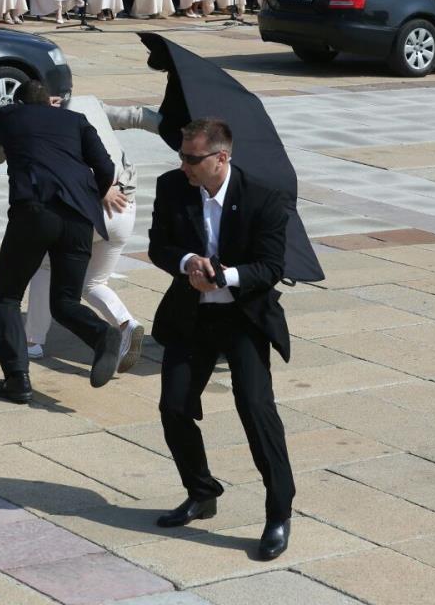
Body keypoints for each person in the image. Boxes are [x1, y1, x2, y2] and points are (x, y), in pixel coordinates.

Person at [149, 118, 295, 559]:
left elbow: (270, 267)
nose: (184, 165)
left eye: (193, 158)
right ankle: (202, 491)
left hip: (243, 317)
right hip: (191, 316)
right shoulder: (173, 187)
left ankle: (279, 511)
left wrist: (224, 276)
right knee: (174, 405)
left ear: (221, 158)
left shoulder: (263, 198)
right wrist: (189, 261)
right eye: (181, 156)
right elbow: (159, 245)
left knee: (254, 407)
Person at [0, 95, 156, 368]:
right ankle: (126, 324)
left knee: (43, 268)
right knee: (93, 283)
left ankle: (33, 341)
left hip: (85, 207)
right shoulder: (88, 104)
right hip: (124, 207)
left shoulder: (30, 121)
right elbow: (134, 116)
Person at [0, 80, 121, 404]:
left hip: (35, 212)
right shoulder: (76, 120)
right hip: (79, 217)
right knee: (65, 303)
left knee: (7, 296)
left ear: (19, 102)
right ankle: (103, 333)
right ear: (51, 101)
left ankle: (18, 378)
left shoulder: (9, 116)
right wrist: (98, 192)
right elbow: (106, 166)